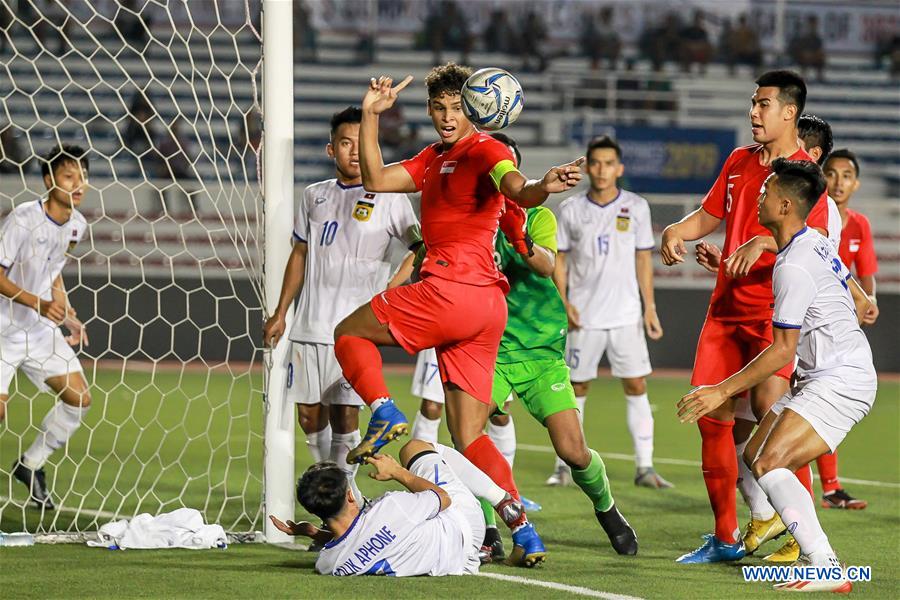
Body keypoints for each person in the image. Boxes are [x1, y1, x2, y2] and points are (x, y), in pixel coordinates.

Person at [332, 63, 583, 567]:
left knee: (347, 334)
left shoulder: (485, 149)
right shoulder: (432, 158)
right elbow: (375, 180)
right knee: (469, 437)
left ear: (474, 109)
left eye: (456, 107)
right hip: (486, 308)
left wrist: (543, 185)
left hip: (451, 291)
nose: (448, 117)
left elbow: (517, 188)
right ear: (429, 111)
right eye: (438, 107)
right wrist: (371, 114)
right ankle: (524, 528)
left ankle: (384, 409)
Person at [678, 158, 876, 593]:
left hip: (840, 379)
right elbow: (850, 293)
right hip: (826, 374)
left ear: (785, 206)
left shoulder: (794, 264)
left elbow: (782, 350)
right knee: (757, 455)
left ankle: (824, 565)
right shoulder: (811, 244)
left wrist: (721, 391)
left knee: (770, 461)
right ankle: (813, 553)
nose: (759, 197)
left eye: (766, 192)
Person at [661, 70, 830, 563]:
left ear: (789, 112)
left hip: (774, 320)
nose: (753, 112)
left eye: (763, 104)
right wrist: (675, 230)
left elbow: (816, 243)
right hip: (724, 313)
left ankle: (800, 539)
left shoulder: (806, 175)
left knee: (776, 427)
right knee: (710, 420)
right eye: (753, 103)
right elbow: (708, 215)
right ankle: (725, 537)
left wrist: (762, 242)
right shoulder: (738, 161)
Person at [262, 106, 420, 515]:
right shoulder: (314, 195)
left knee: (346, 417)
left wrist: (395, 284)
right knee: (309, 418)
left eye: (359, 143)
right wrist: (281, 311)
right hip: (308, 325)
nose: (353, 151)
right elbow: (300, 252)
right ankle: (329, 489)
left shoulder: (391, 196)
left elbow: (421, 247)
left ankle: (343, 501)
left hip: (354, 331)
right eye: (345, 143)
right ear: (332, 149)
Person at [551, 135, 671, 490]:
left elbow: (643, 259)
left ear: (619, 168)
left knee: (636, 385)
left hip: (626, 315)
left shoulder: (636, 206)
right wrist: (564, 302)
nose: (602, 170)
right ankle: (564, 466)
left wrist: (649, 307)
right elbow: (560, 260)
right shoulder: (570, 209)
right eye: (596, 163)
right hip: (582, 316)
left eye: (608, 164)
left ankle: (645, 467)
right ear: (587, 167)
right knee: (574, 388)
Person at [271, 439, 519, 576]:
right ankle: (504, 503)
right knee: (416, 449)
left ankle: (484, 544)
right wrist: (397, 472)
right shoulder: (391, 508)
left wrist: (315, 533)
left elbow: (355, 541)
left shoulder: (329, 564)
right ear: (349, 496)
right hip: (465, 525)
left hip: (455, 564)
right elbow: (442, 498)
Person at [2, 144, 92, 511]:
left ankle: (31, 464)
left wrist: (66, 311)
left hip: (39, 331)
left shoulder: (77, 225)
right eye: (69, 176)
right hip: (3, 329)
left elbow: (52, 271)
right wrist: (39, 303)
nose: (78, 184)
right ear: (48, 180)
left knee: (79, 399)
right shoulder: (23, 218)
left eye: (83, 176)